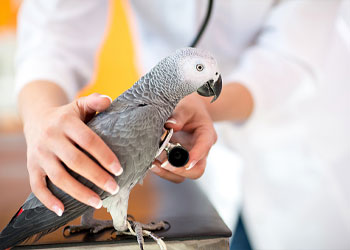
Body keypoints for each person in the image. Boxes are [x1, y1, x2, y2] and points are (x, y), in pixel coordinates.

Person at [15, 0, 350, 249]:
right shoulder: (142, 114)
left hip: (303, 146)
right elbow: (53, 31)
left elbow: (291, 56)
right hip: (201, 183)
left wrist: (200, 103)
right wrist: (41, 116)